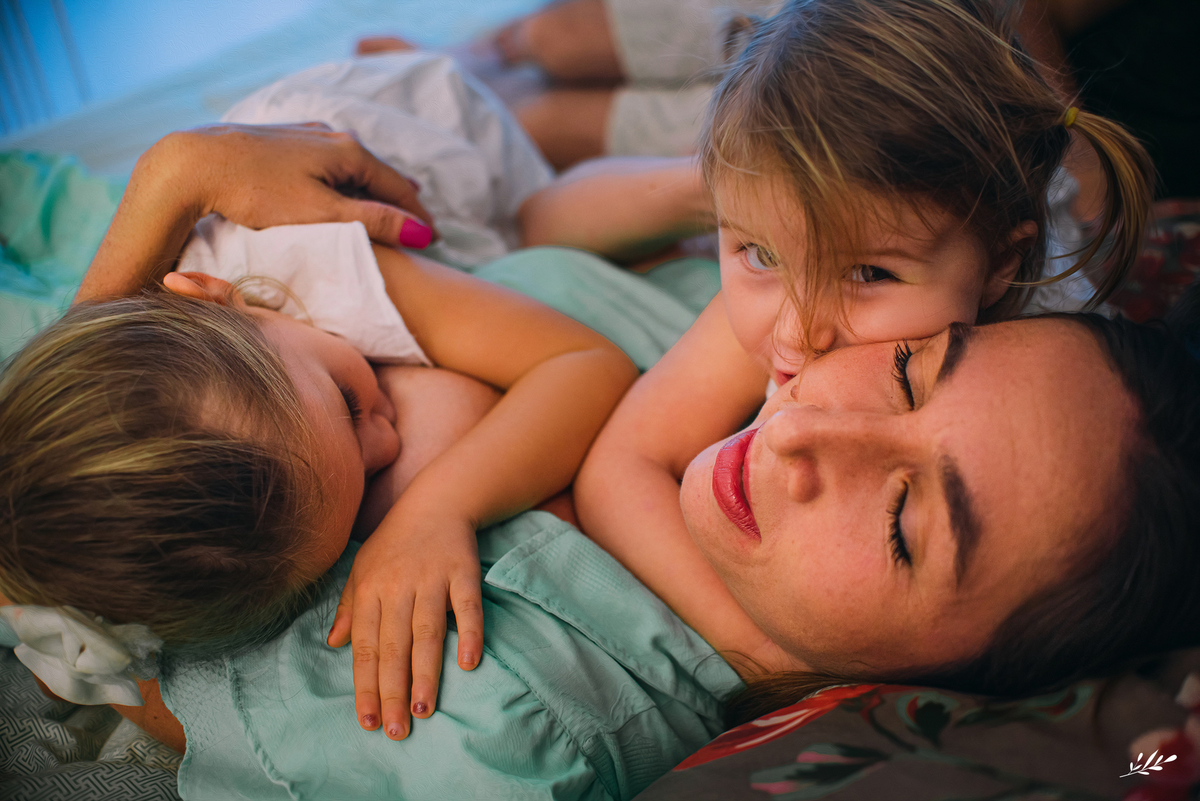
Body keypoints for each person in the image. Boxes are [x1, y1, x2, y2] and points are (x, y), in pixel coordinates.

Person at [547, 0, 1155, 671]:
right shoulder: (801, 282)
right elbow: (621, 464)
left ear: (1000, 266)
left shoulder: (1040, 375)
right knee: (546, 50)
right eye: (757, 255)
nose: (799, 330)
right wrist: (757, 650)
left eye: (869, 272)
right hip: (788, 84)